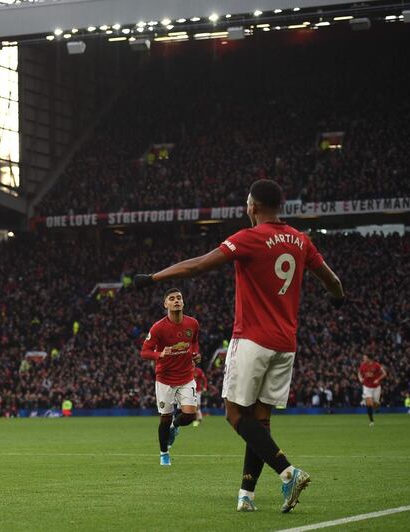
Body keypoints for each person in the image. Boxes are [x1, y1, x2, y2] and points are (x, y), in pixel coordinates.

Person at [134, 179, 344, 513]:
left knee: (234, 415)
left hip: (251, 340)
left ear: (253, 206)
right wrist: (337, 300)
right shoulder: (301, 241)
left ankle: (288, 472)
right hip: (286, 344)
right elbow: (333, 281)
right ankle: (246, 495)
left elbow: (197, 265)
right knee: (260, 421)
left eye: (247, 203)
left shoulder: (248, 238)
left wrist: (152, 278)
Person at [140, 288, 200, 466]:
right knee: (164, 418)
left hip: (186, 376)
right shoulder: (158, 327)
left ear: (183, 302)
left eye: (179, 298)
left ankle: (175, 426)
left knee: (190, 415)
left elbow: (194, 342)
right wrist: (159, 355)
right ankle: (164, 452)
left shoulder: (193, 323)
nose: (176, 301)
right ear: (165, 304)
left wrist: (196, 353)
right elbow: (144, 352)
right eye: (172, 298)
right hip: (165, 379)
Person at [358, 354, 386, 426]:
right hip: (367, 387)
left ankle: (376, 404)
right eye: (363, 358)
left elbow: (384, 373)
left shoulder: (376, 365)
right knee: (369, 404)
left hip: (376, 387)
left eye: (365, 358)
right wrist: (360, 378)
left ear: (369, 359)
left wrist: (378, 379)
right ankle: (371, 421)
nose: (363, 359)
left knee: (375, 404)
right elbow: (359, 373)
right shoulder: (363, 365)